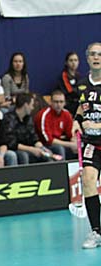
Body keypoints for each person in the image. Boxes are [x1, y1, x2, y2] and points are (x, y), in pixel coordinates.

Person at [72, 42, 101, 249]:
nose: (96, 57)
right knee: (88, 180)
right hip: (92, 143)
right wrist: (77, 120)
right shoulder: (82, 84)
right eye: (92, 54)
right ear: (87, 58)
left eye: (99, 54)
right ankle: (96, 231)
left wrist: (98, 125)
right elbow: (82, 108)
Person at [4, 93, 54, 164]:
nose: (32, 108)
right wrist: (32, 149)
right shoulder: (9, 119)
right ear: (26, 105)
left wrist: (43, 148)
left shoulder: (28, 119)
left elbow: (33, 137)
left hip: (28, 148)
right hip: (14, 149)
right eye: (32, 105)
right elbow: (11, 143)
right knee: (23, 155)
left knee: (47, 155)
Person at [34, 90, 77, 160]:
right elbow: (48, 140)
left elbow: (70, 134)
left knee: (79, 147)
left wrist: (75, 142)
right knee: (59, 148)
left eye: (61, 102)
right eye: (56, 102)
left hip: (61, 142)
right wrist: (70, 144)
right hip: (45, 145)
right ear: (50, 102)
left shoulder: (67, 114)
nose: (59, 104)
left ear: (65, 103)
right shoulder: (44, 115)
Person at [56, 51, 82, 116]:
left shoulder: (79, 76)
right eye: (71, 60)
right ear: (66, 62)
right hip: (68, 104)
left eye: (75, 60)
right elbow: (70, 91)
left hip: (78, 102)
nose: (73, 63)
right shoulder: (63, 76)